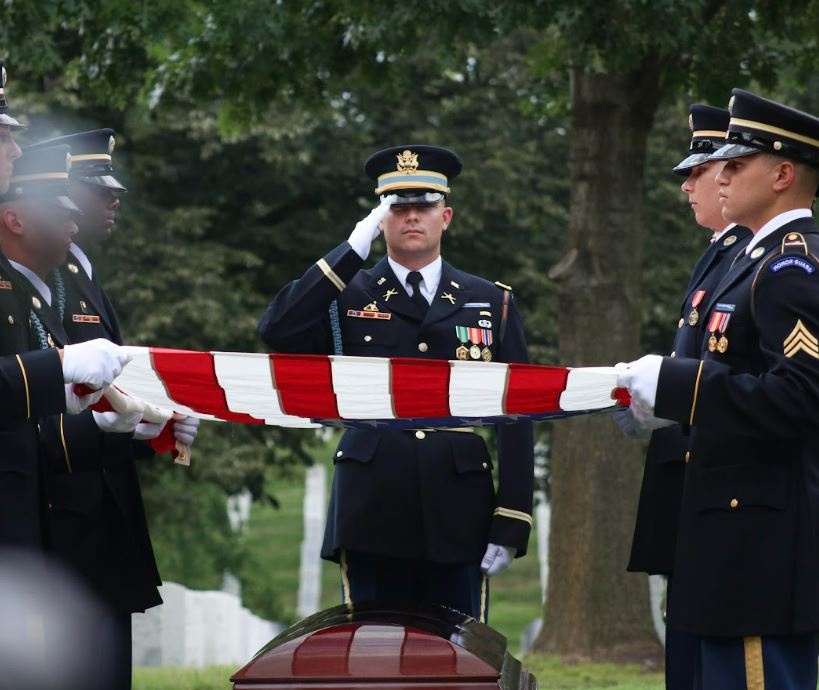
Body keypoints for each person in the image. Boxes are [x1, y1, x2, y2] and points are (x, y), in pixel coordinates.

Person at [258, 145, 534, 621]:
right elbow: (277, 330)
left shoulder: (491, 300)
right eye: (397, 208)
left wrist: (512, 518)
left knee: (458, 662)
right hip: (372, 507)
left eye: (423, 206)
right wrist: (349, 253)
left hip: (459, 510)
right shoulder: (347, 293)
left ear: (445, 216)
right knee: (374, 655)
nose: (411, 217)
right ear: (379, 219)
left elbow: (519, 412)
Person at [618, 89, 819, 690]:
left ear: (782, 174)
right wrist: (664, 405)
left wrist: (679, 384)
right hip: (726, 533)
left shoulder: (791, 267)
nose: (718, 176)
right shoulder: (748, 260)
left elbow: (804, 397)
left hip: (758, 543)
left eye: (736, 164)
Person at [24, 129, 197, 690]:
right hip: (63, 507)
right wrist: (118, 425)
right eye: (96, 193)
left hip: (99, 504)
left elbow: (108, 396)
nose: (111, 201)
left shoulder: (81, 276)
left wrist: (150, 425)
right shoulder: (50, 279)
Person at [615, 104, 751, 689]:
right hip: (693, 479)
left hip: (732, 492)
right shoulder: (719, 253)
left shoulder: (761, 260)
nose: (689, 186)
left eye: (700, 172)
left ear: (732, 176)